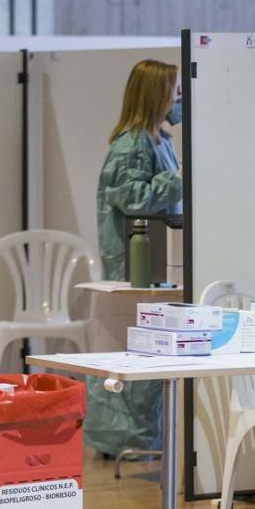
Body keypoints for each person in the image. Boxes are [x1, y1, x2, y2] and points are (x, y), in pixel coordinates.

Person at [86, 59, 183, 457]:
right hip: (133, 265)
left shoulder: (158, 139)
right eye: (175, 90)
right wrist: (181, 178)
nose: (180, 98)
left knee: (150, 349)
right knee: (134, 350)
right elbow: (133, 199)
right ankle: (123, 440)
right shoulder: (129, 145)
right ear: (157, 93)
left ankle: (142, 438)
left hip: (152, 265)